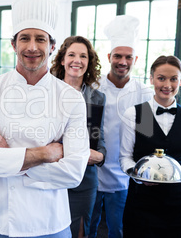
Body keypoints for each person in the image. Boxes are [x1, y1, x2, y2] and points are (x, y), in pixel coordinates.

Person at [0, 0, 90, 238]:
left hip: (49, 224)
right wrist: (44, 154)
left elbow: (73, 173)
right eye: (24, 38)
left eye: (40, 39)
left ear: (53, 46)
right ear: (13, 44)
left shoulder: (71, 98)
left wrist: (6, 155)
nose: (32, 47)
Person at [119, 55, 181, 237]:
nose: (167, 85)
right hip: (142, 202)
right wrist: (139, 176)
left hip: (180, 203)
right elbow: (125, 158)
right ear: (151, 79)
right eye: (161, 78)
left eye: (173, 79)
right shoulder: (135, 114)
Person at [88, 15, 153, 238]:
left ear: (135, 59)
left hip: (125, 175)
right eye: (117, 56)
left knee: (120, 230)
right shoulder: (93, 87)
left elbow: (145, 136)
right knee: (87, 228)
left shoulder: (142, 93)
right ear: (109, 57)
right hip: (92, 171)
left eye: (128, 57)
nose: (122, 61)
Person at [50, 36, 106, 238]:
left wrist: (100, 156)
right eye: (71, 54)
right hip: (52, 175)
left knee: (80, 232)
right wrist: (71, 151)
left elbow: (99, 138)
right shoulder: (48, 92)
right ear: (62, 60)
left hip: (85, 179)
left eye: (83, 56)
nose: (77, 60)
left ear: (89, 62)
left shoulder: (97, 97)